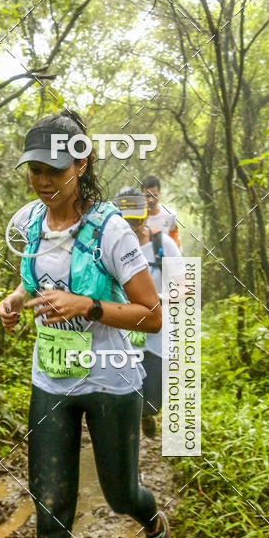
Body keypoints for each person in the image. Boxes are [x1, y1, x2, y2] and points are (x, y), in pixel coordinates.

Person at [0, 110, 177, 538]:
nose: (43, 180)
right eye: (33, 170)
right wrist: (15, 299)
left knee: (122, 490)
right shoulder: (28, 221)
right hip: (51, 381)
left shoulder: (111, 231)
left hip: (111, 380)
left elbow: (151, 316)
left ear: (81, 164)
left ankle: (152, 522)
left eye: (54, 168)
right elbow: (37, 279)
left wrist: (89, 307)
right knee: (51, 509)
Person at [114, 187, 183, 438]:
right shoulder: (111, 245)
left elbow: (184, 284)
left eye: (136, 218)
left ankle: (146, 413)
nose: (132, 226)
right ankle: (130, 450)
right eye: (126, 219)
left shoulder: (161, 244)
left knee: (152, 398)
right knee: (124, 401)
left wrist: (163, 299)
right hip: (121, 335)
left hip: (156, 336)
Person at [141, 174, 181, 249]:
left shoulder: (170, 214)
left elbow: (174, 238)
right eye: (147, 196)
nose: (151, 200)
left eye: (154, 195)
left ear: (160, 193)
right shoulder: (136, 217)